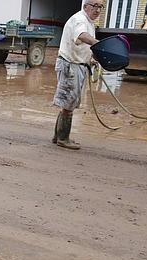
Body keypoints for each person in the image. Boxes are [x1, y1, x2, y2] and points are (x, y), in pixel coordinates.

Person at [52, 0, 103, 150]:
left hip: (76, 64)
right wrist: (98, 44)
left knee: (68, 102)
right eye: (95, 6)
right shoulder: (80, 20)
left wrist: (90, 59)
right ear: (85, 6)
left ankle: (58, 136)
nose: (98, 10)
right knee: (69, 102)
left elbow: (82, 45)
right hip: (70, 66)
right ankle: (63, 138)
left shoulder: (88, 22)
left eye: (100, 7)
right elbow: (81, 35)